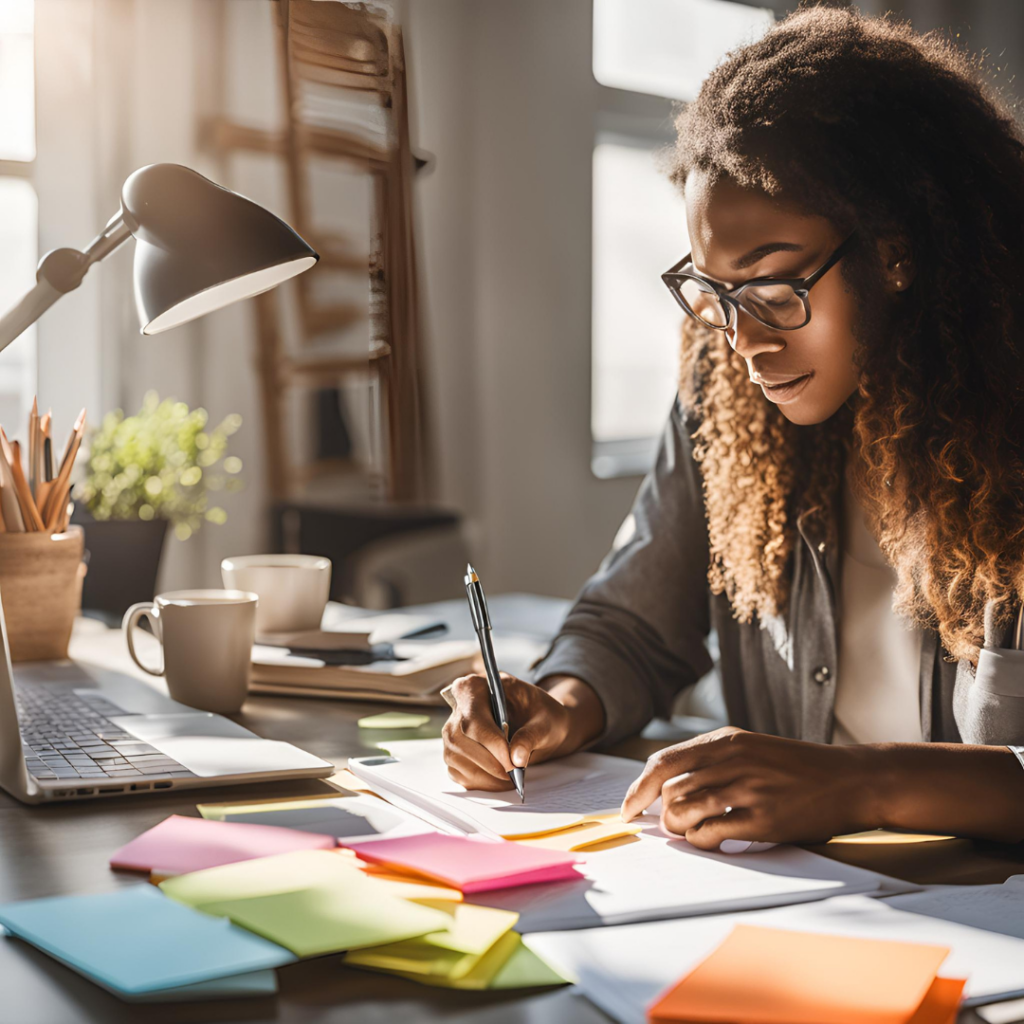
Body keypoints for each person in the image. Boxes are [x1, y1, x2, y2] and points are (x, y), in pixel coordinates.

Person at [441, 5, 1024, 849]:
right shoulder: (730, 396)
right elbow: (635, 627)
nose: (743, 340)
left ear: (897, 253)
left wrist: (859, 784)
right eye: (714, 293)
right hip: (802, 900)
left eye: (773, 287)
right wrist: (557, 708)